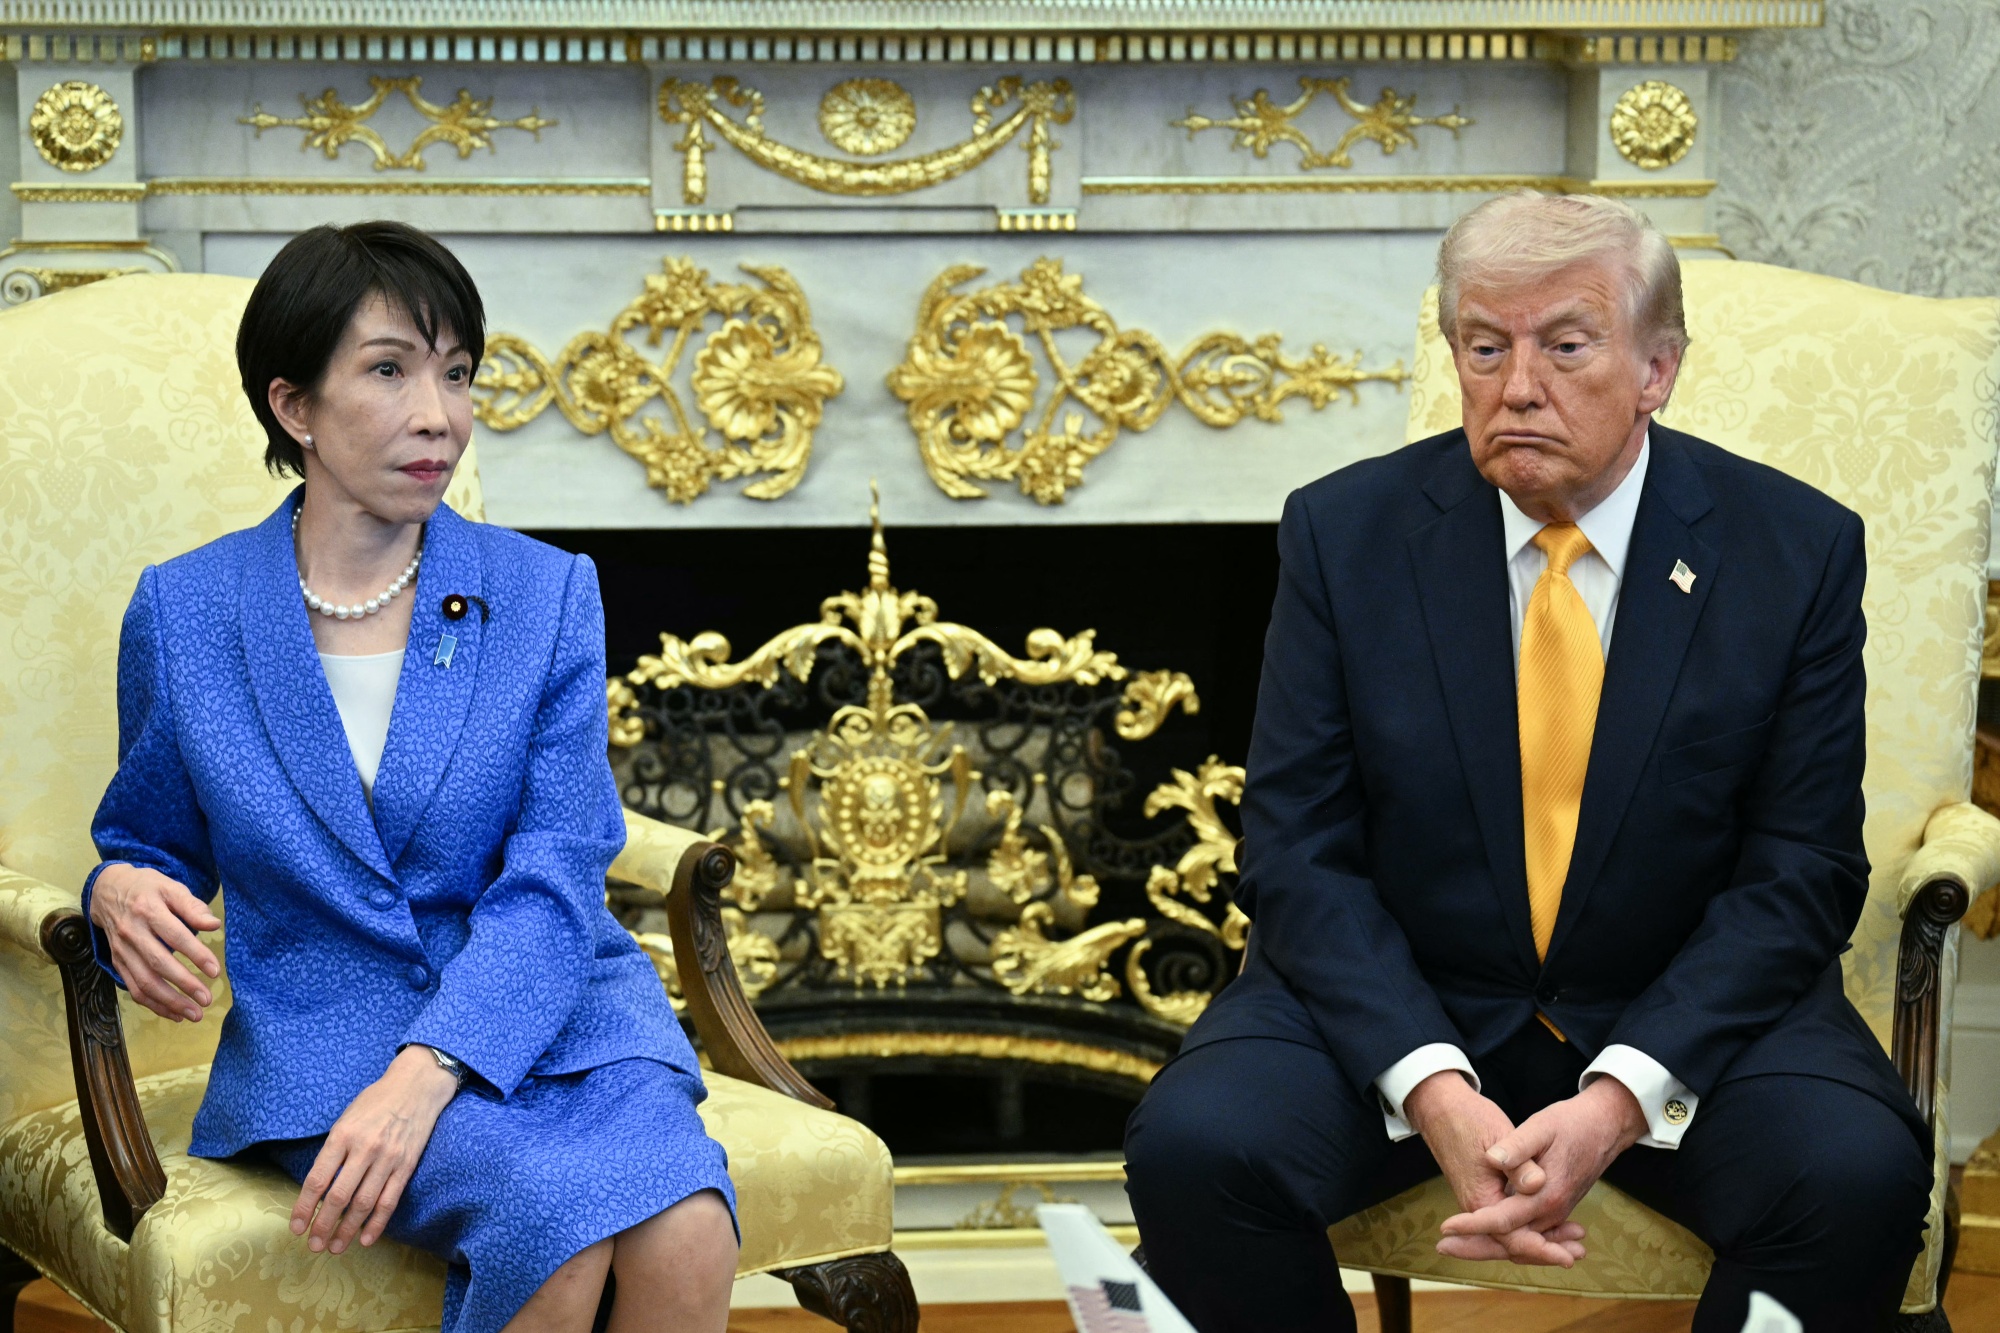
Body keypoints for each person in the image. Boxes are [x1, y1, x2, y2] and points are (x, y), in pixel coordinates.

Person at [1123, 193, 1933, 1333]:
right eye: (1484, 347)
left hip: (1680, 1005)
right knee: (1197, 1147)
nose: (1515, 386)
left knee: (1851, 1176)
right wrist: (1430, 1083)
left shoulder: (1789, 550)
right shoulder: (1341, 534)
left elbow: (1797, 868)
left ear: (1656, 368)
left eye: (1564, 345)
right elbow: (1295, 849)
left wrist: (1620, 1093)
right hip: (1415, 988)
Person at [82, 221, 738, 1333]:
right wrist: (114, 889)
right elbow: (148, 839)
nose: (438, 414)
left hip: (561, 1006)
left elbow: (559, 863)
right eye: (389, 370)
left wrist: (433, 1066)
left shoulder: (547, 593)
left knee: (691, 1230)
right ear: (295, 407)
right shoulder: (186, 612)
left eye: (457, 373)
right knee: (559, 1223)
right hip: (329, 1034)